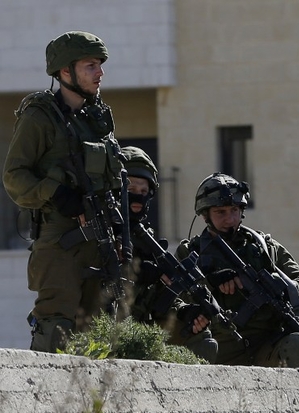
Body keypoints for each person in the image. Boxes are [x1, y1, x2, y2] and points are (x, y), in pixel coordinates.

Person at [2, 31, 125, 352]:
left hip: (100, 241)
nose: (100, 73)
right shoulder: (39, 116)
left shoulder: (97, 119)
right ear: (65, 71)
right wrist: (56, 194)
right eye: (90, 65)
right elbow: (14, 176)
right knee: (55, 330)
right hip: (60, 243)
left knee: (99, 337)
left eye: (99, 65)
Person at [176, 172, 299, 367]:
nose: (229, 219)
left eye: (234, 210)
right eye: (220, 212)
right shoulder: (190, 253)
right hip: (218, 348)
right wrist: (210, 283)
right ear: (205, 215)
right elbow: (173, 301)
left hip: (266, 347)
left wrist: (283, 285)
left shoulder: (265, 248)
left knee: (298, 347)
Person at [121, 145, 217, 362]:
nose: (138, 197)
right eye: (131, 189)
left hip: (140, 324)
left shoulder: (146, 239)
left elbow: (157, 295)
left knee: (201, 338)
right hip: (102, 325)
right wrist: (134, 273)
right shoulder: (99, 230)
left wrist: (182, 311)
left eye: (144, 192)